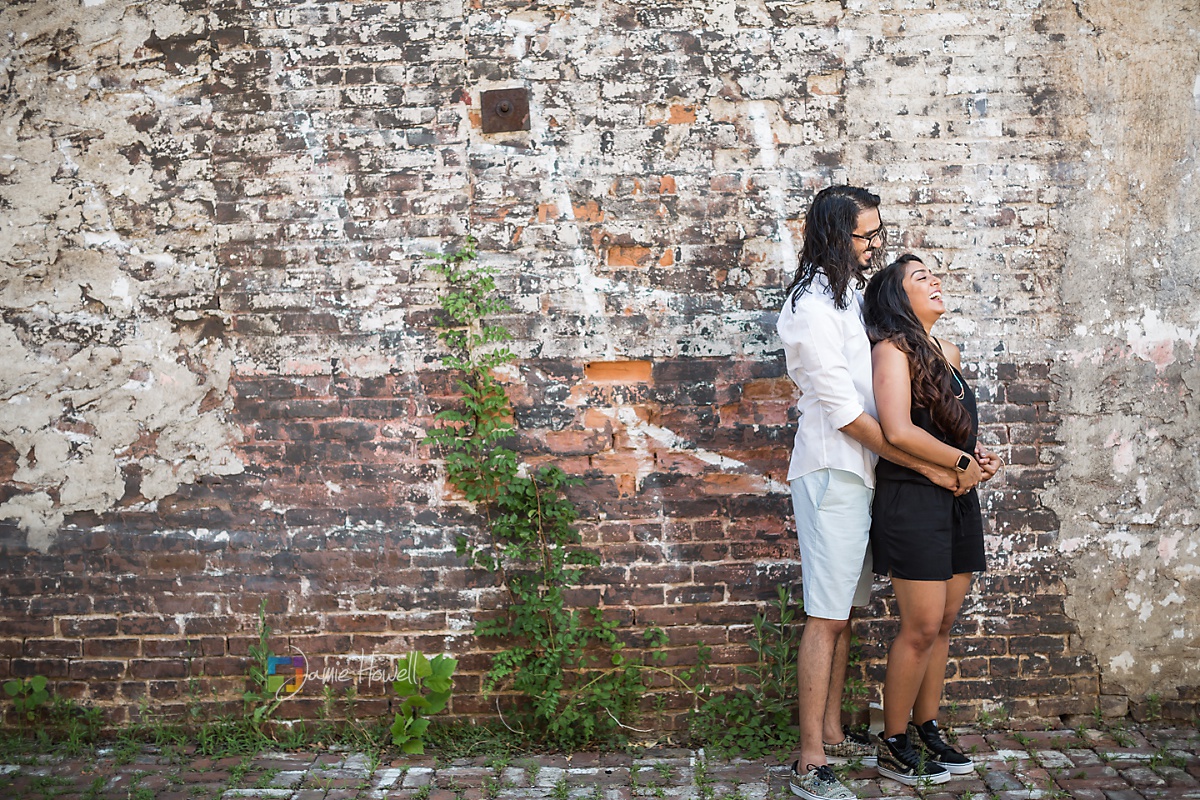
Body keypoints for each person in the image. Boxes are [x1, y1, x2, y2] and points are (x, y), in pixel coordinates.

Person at [777, 188, 966, 800]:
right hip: (834, 469)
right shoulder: (808, 310)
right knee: (825, 616)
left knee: (848, 612)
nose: (875, 245)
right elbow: (851, 418)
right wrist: (931, 467)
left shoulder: (851, 296)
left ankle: (833, 731)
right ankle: (810, 759)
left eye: (877, 232)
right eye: (865, 236)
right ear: (836, 238)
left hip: (865, 475)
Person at [862, 254, 1002, 786]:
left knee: (943, 623)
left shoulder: (948, 351)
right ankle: (892, 742)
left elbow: (953, 429)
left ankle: (926, 727)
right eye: (921, 277)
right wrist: (961, 463)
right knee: (919, 626)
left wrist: (981, 455)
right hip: (914, 498)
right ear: (899, 298)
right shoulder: (891, 350)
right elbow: (897, 430)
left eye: (935, 273)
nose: (936, 280)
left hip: (958, 496)